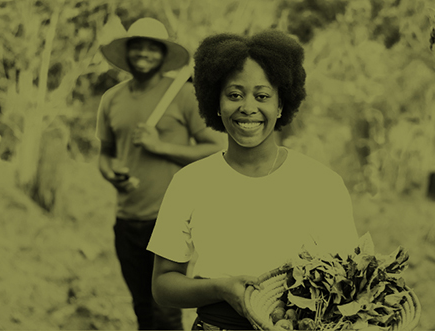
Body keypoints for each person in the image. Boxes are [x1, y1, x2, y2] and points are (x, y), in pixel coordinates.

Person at [147, 30, 360, 330]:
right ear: (216, 104)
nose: (248, 107)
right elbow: (163, 286)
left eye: (262, 96)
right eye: (234, 95)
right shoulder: (190, 182)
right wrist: (219, 288)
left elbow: (350, 281)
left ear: (281, 104)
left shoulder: (322, 183)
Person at [96, 18, 226, 330]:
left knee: (165, 311)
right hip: (127, 217)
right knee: (142, 307)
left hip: (169, 219)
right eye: (137, 46)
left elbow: (215, 147)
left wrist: (160, 147)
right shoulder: (111, 99)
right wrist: (113, 175)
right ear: (127, 53)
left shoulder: (182, 96)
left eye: (151, 48)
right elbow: (105, 156)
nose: (143, 53)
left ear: (163, 55)